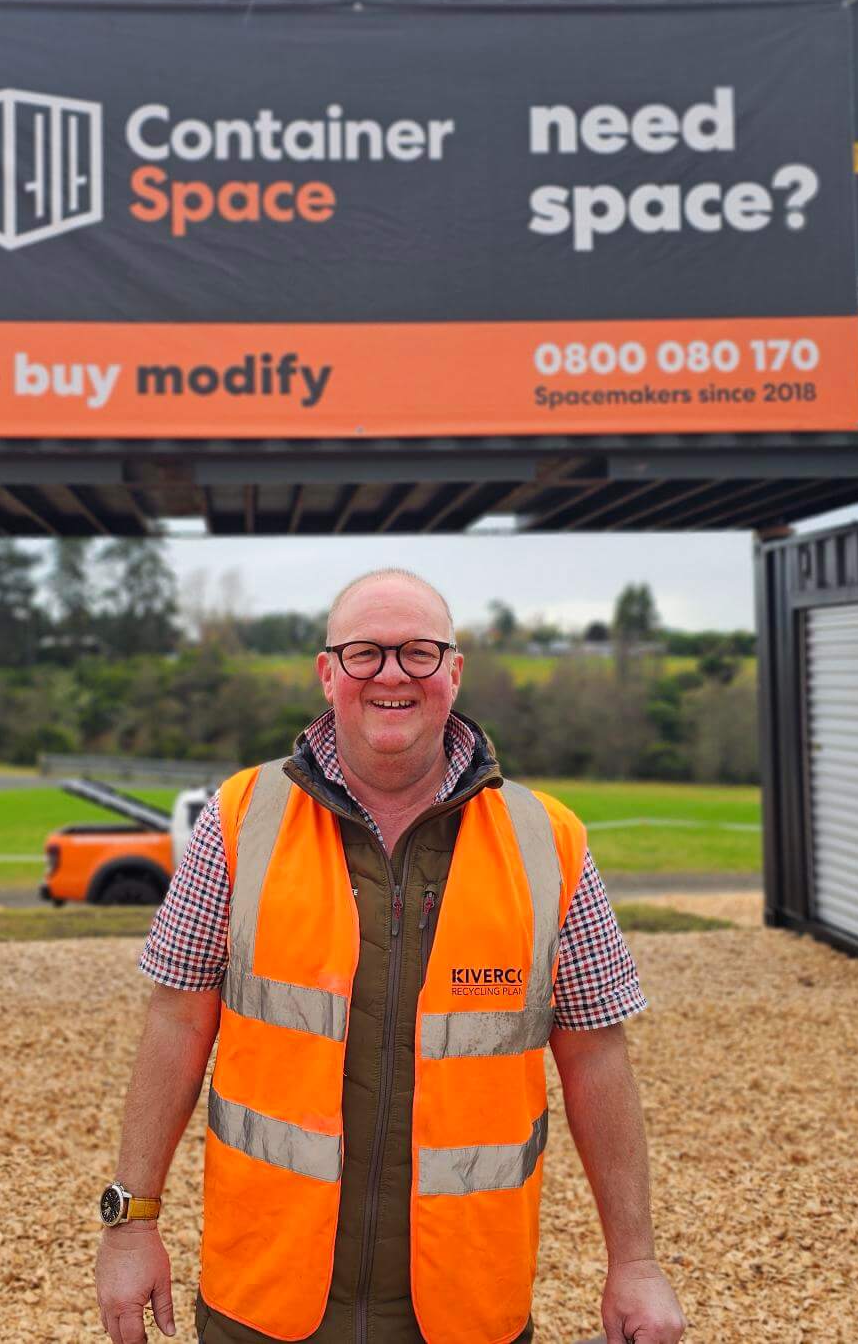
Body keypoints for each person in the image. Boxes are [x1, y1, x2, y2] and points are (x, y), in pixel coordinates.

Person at [95, 569, 686, 1344]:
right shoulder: (240, 819)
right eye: (365, 653)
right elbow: (176, 1023)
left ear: (454, 670)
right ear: (328, 671)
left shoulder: (550, 843)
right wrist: (131, 1222)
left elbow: (599, 1059)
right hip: (262, 1307)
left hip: (466, 1312)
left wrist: (635, 1262)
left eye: (419, 652)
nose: (392, 675)